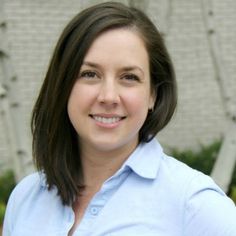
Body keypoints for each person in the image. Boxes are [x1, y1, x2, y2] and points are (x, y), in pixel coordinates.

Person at [3, 2, 236, 236]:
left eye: (129, 77)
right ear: (63, 85)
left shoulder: (196, 205)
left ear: (153, 94)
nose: (108, 97)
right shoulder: (25, 198)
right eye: (90, 74)